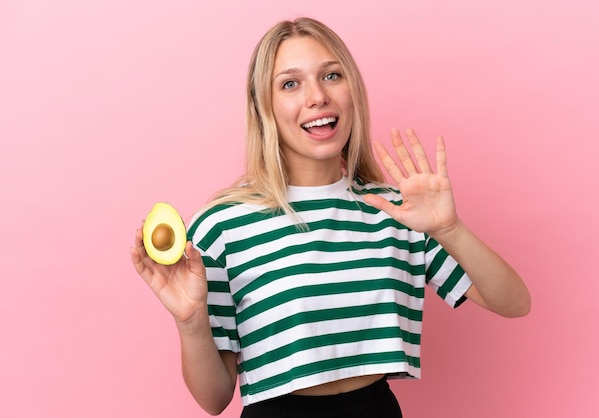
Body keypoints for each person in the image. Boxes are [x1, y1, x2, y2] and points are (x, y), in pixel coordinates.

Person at [130, 17, 531, 418]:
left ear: (352, 89)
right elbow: (213, 399)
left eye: (332, 75)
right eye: (290, 83)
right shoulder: (222, 226)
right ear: (263, 106)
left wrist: (449, 229)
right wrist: (189, 321)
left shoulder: (400, 211)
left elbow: (514, 303)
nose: (317, 96)